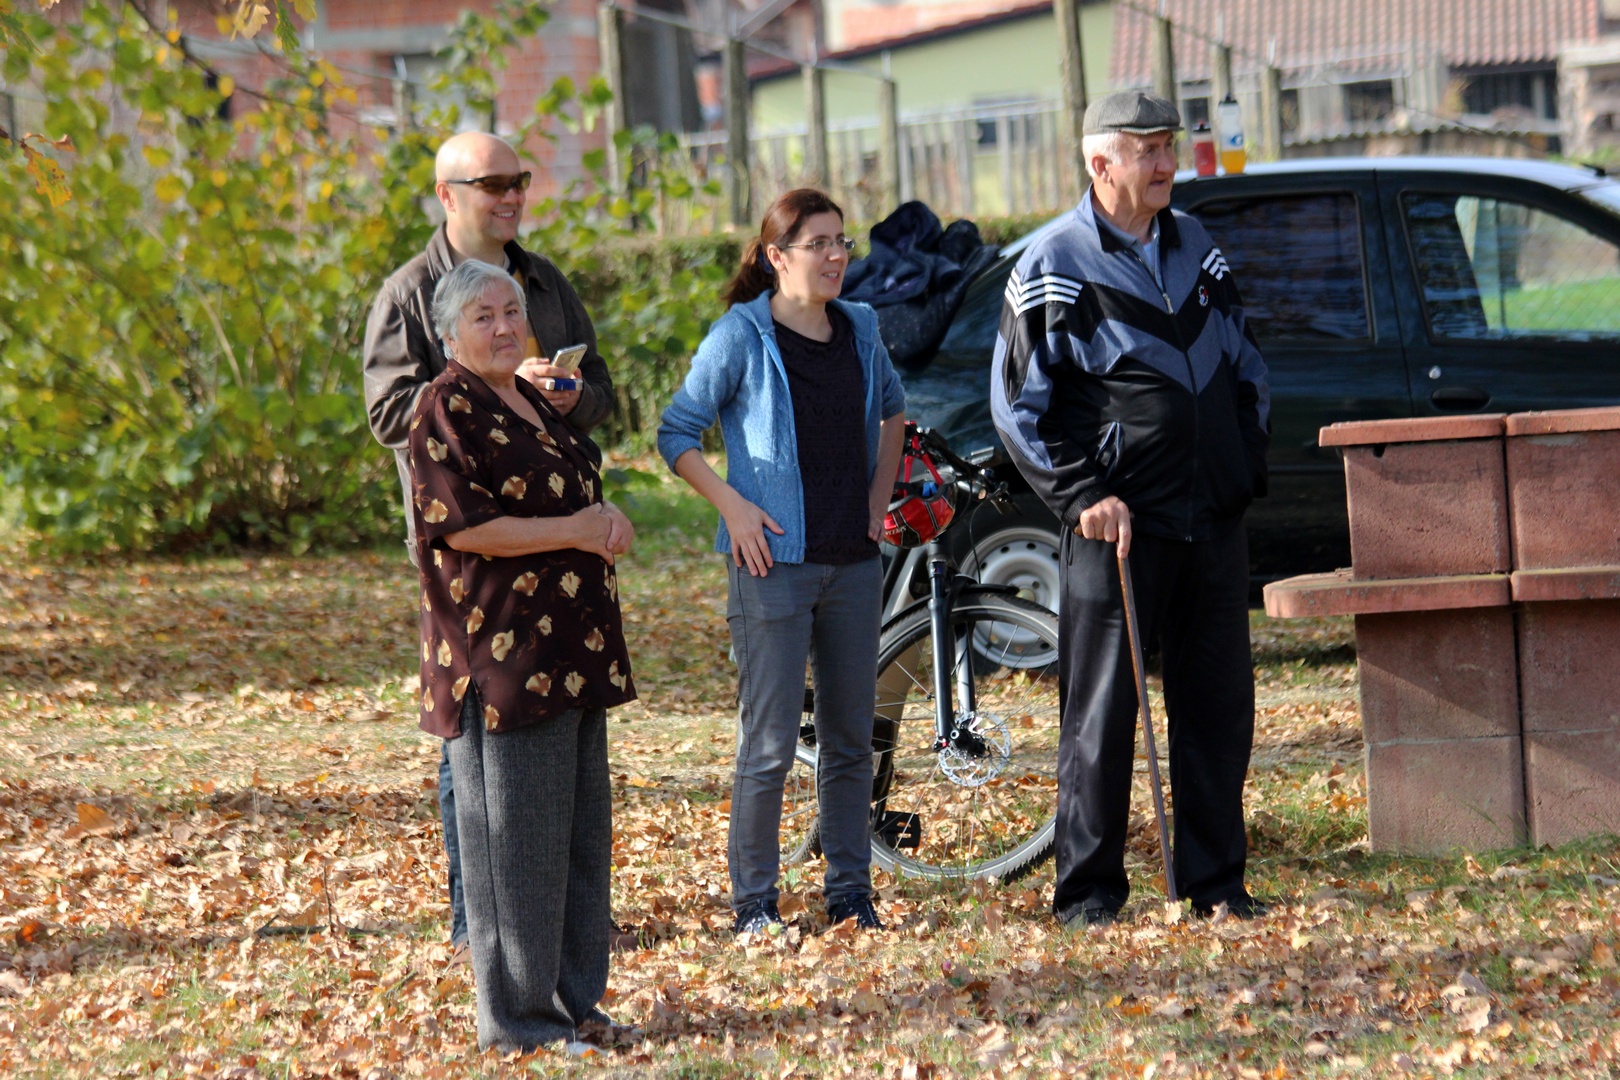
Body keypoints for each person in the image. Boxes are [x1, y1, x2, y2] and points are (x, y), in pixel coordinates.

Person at [989, 91, 1271, 927]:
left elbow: (1247, 362)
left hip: (1211, 524)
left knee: (1219, 712)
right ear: (1098, 163)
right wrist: (1083, 496)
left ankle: (1218, 884)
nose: (1163, 164)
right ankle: (1089, 894)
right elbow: (1017, 407)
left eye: (1167, 147)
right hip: (1116, 530)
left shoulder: (1200, 249)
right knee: (1102, 721)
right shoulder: (1053, 265)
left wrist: (1241, 464)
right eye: (1144, 150)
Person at [362, 131, 614, 965]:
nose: (510, 196)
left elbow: (602, 391)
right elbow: (391, 413)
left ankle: (548, 943)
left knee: (557, 768)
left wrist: (559, 394)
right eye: (492, 183)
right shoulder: (409, 294)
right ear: (448, 193)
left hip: (564, 573)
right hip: (471, 556)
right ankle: (486, 928)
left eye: (519, 181)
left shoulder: (542, 281)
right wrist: (487, 392)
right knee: (479, 756)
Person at [658, 189, 906, 935]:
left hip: (854, 564)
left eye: (842, 243)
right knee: (768, 744)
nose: (836, 257)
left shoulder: (861, 328)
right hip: (772, 568)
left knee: (850, 740)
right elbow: (676, 434)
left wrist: (877, 501)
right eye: (819, 244)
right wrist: (734, 507)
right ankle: (755, 905)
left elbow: (894, 412)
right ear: (776, 257)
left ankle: (850, 896)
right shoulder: (740, 336)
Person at [409, 258, 635, 1052]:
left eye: (512, 311)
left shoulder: (535, 398)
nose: (505, 326)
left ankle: (573, 1003)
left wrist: (605, 519)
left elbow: (572, 491)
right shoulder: (445, 408)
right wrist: (575, 530)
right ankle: (519, 1023)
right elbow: (462, 525)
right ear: (449, 334)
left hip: (572, 647)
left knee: (577, 839)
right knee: (516, 848)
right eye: (483, 317)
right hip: (501, 659)